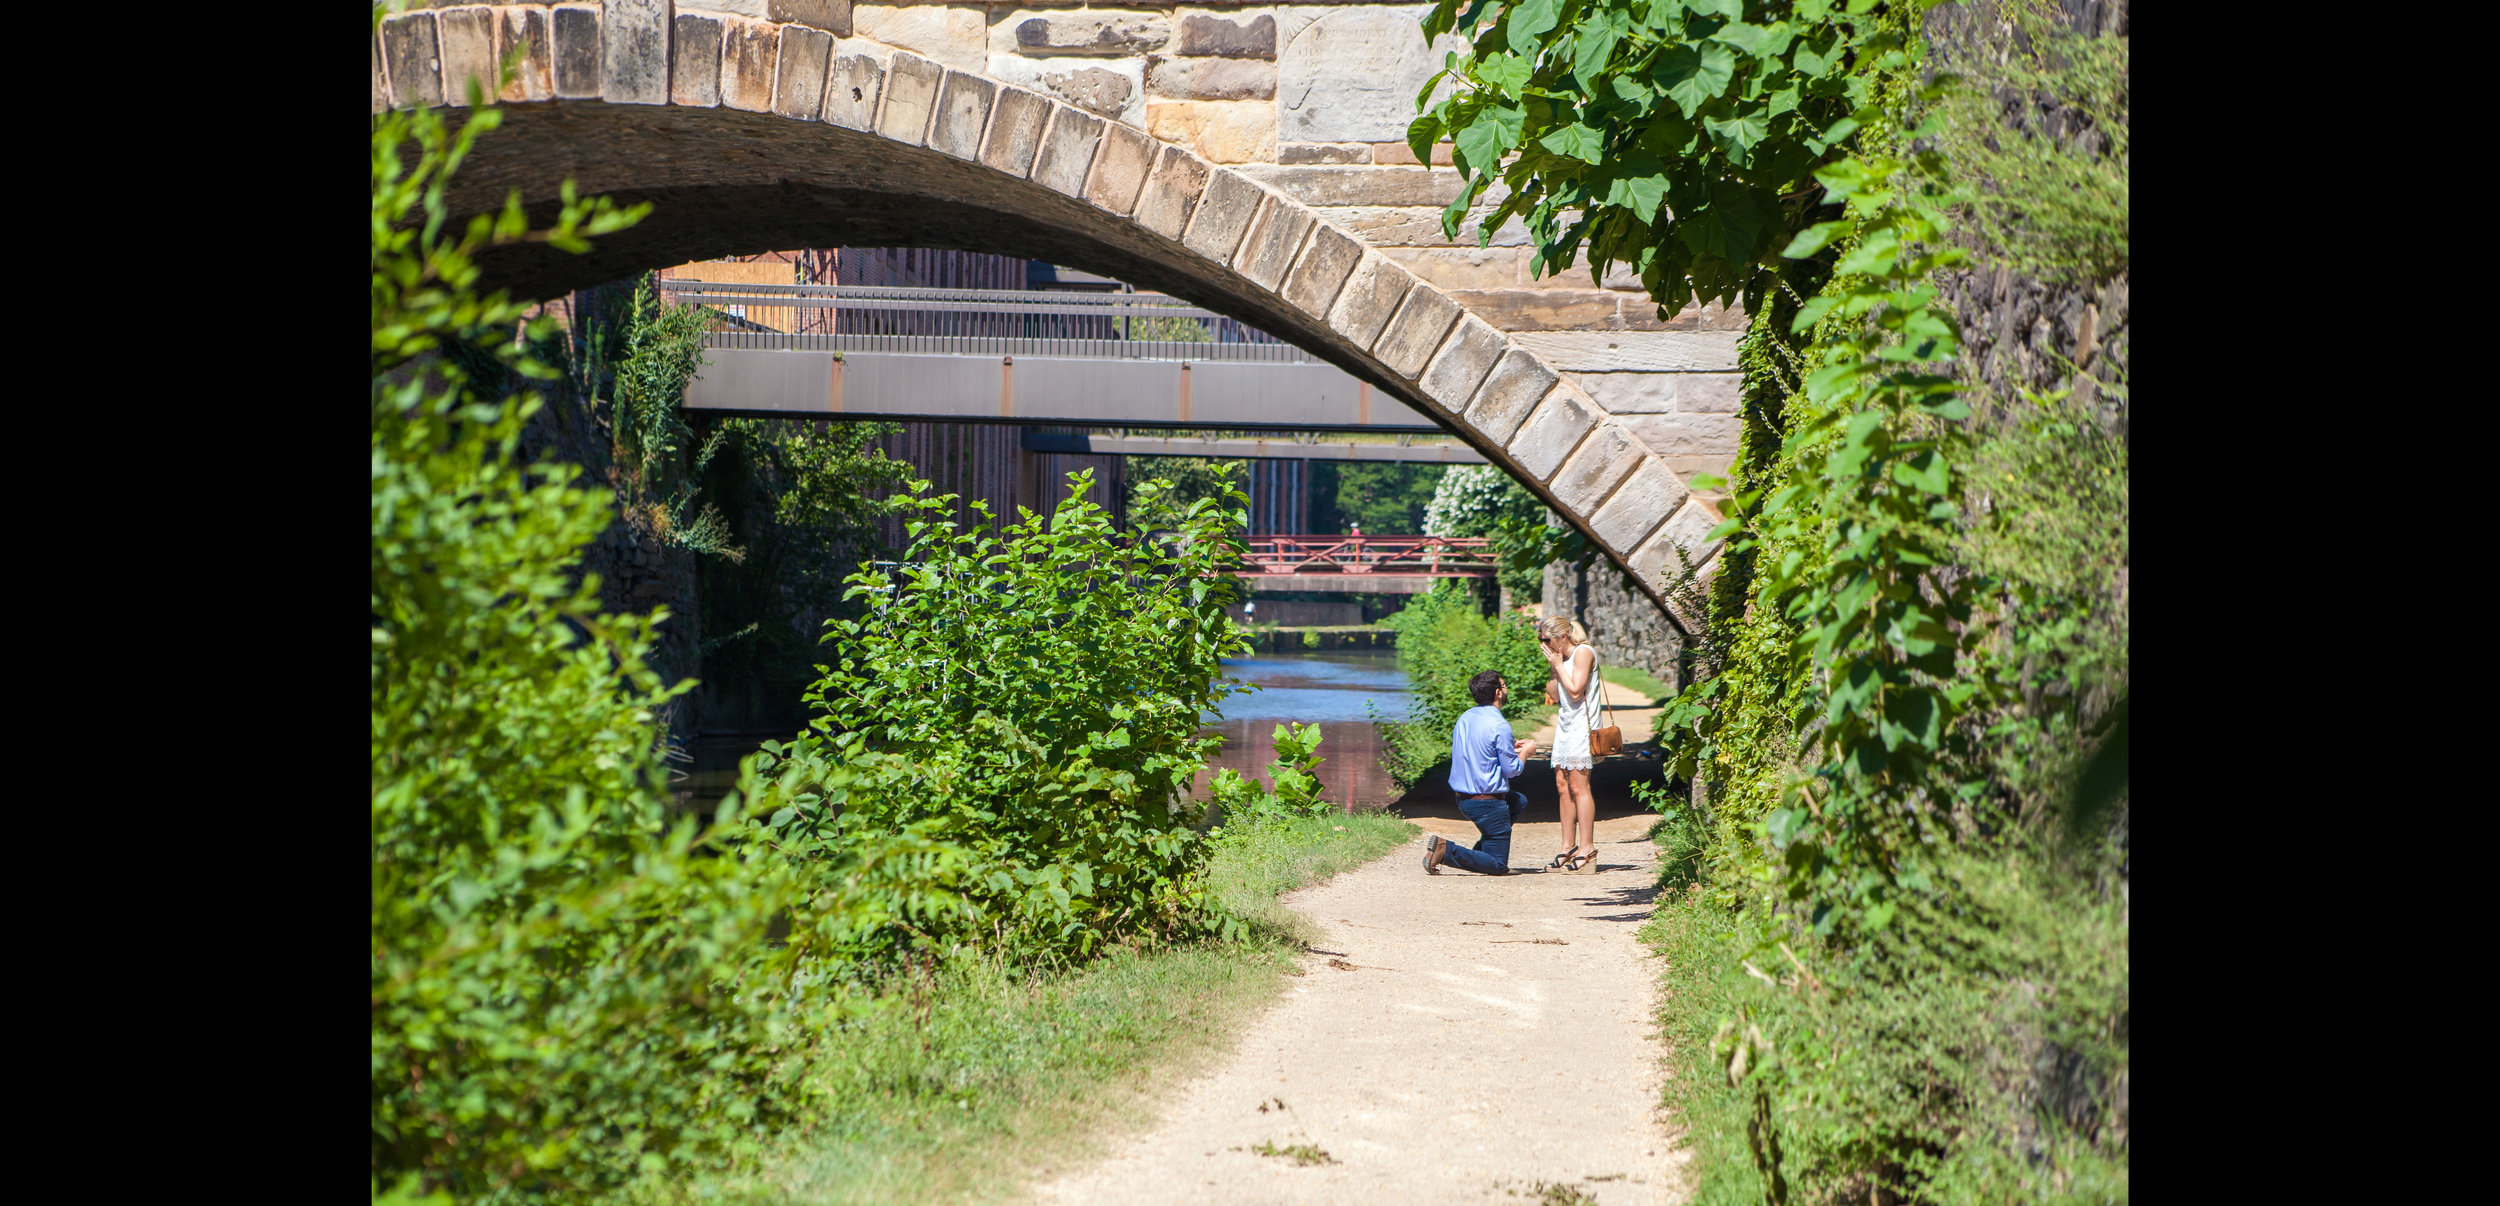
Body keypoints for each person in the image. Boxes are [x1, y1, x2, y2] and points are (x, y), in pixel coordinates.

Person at [1421, 670, 1537, 875]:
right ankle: (1446, 850)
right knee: (1498, 865)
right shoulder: (1499, 724)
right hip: (1488, 802)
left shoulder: (1465, 717)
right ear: (1498, 693)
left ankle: (1479, 853)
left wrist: (1510, 748)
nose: (1506, 688)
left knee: (1519, 801)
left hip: (1463, 798)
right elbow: (1512, 770)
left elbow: (1478, 751)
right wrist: (1525, 753)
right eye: (1505, 685)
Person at [1537, 615, 1603, 872]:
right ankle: (1568, 846)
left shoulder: (1584, 653)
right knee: (1562, 785)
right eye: (1541, 639)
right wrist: (1555, 667)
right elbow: (1555, 695)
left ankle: (1587, 847)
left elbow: (1576, 690)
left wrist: (1560, 664)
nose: (1543, 644)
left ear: (1562, 637)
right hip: (1565, 728)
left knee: (1579, 786)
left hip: (1582, 729)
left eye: (1546, 639)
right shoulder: (1561, 659)